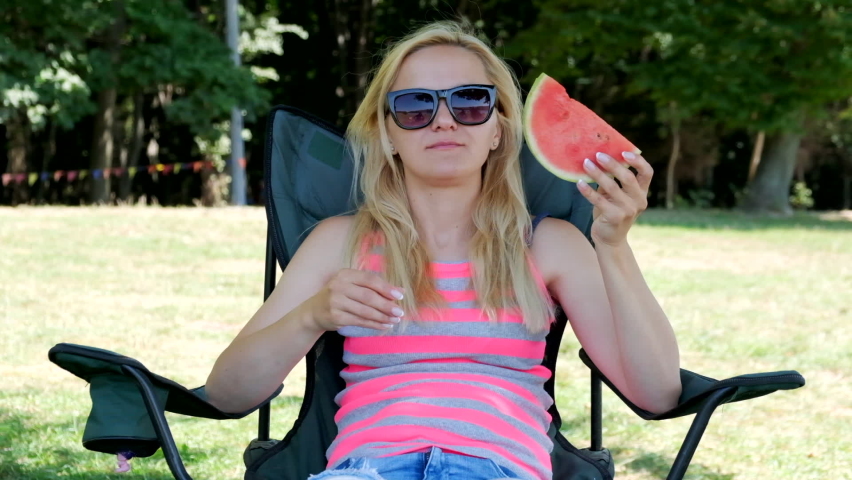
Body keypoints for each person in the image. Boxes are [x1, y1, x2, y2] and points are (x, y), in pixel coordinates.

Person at [205, 20, 682, 480]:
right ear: (388, 134)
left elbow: (657, 392)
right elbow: (228, 394)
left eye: (471, 101)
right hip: (367, 471)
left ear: (498, 129)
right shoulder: (339, 242)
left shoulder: (550, 246)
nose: (445, 121)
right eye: (415, 106)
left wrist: (614, 245)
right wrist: (311, 315)